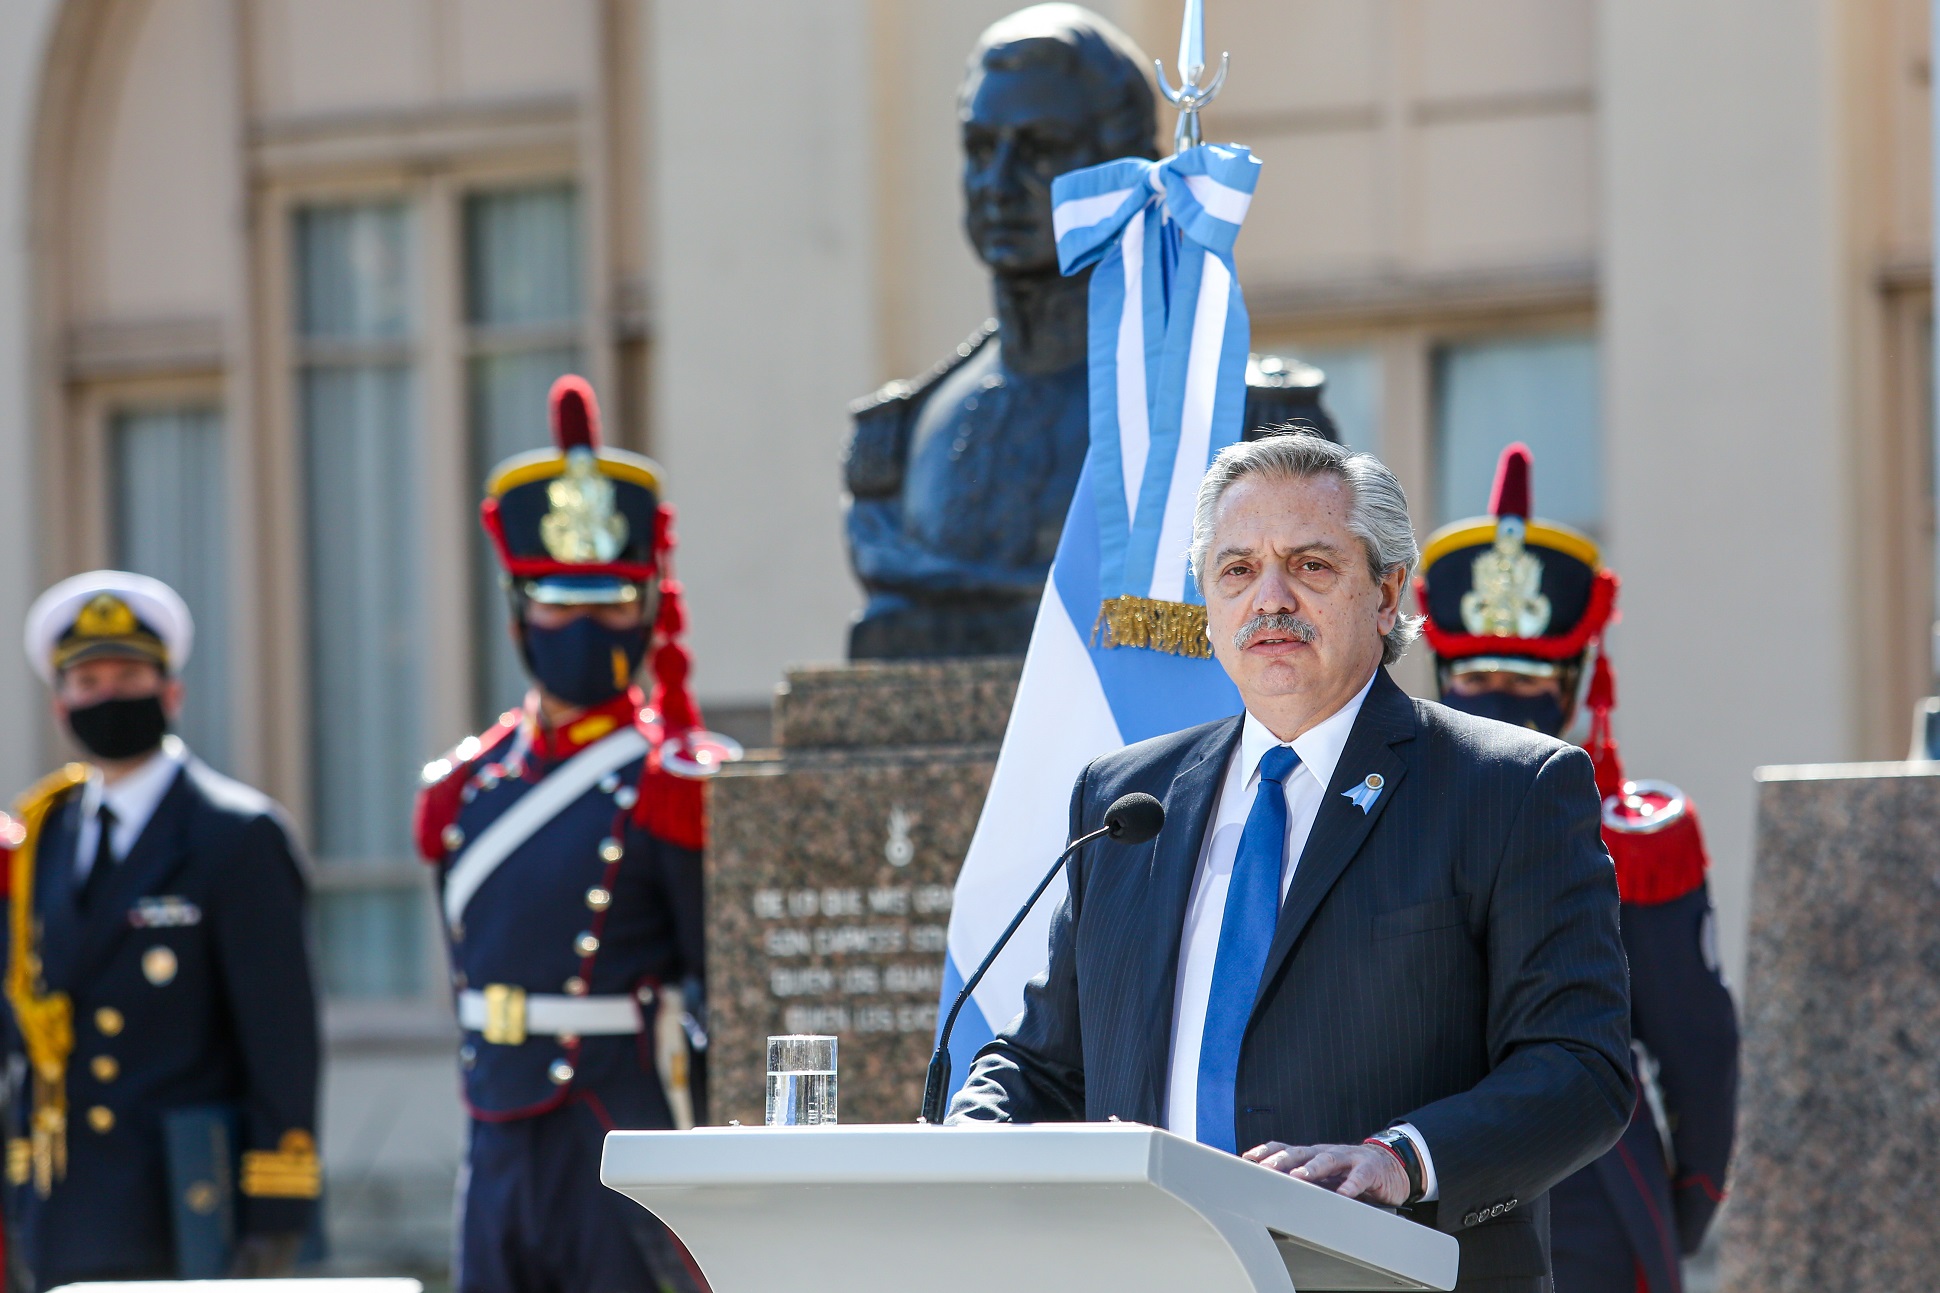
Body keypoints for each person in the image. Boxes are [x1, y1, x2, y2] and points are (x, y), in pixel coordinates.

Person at [950, 430, 1635, 1293]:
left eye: (1310, 565)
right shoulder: (1126, 802)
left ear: (1387, 594)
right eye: (1236, 571)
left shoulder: (1507, 787)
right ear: (1207, 600)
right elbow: (1048, 1063)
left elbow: (1580, 1066)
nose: (1268, 599)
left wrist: (1401, 1160)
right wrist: (970, 1127)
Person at [843, 4, 1335, 659]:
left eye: (1040, 149)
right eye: (981, 148)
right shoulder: (906, 433)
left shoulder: (1240, 419)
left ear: (1125, 165)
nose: (996, 183)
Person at [415, 375, 731, 1293]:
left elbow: (717, 990)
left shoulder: (676, 780)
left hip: (616, 1130)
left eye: (612, 603)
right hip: (494, 1128)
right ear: (520, 607)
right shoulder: (463, 788)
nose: (586, 626)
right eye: (561, 602)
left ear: (646, 609)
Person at [1420, 443, 1738, 1293]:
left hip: (1586, 1198)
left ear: (1569, 685)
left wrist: (1680, 1211)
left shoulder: (1641, 839)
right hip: (1399, 1184)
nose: (1499, 701)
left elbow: (1698, 1054)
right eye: (1477, 674)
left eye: (1523, 677)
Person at [0, 571, 319, 1286]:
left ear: (171, 690)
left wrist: (278, 1202)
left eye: (129, 675)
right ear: (60, 705)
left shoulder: (235, 833)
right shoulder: (40, 836)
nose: (108, 695)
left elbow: (281, 1037)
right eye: (88, 681)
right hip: (61, 1200)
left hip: (186, 1202)